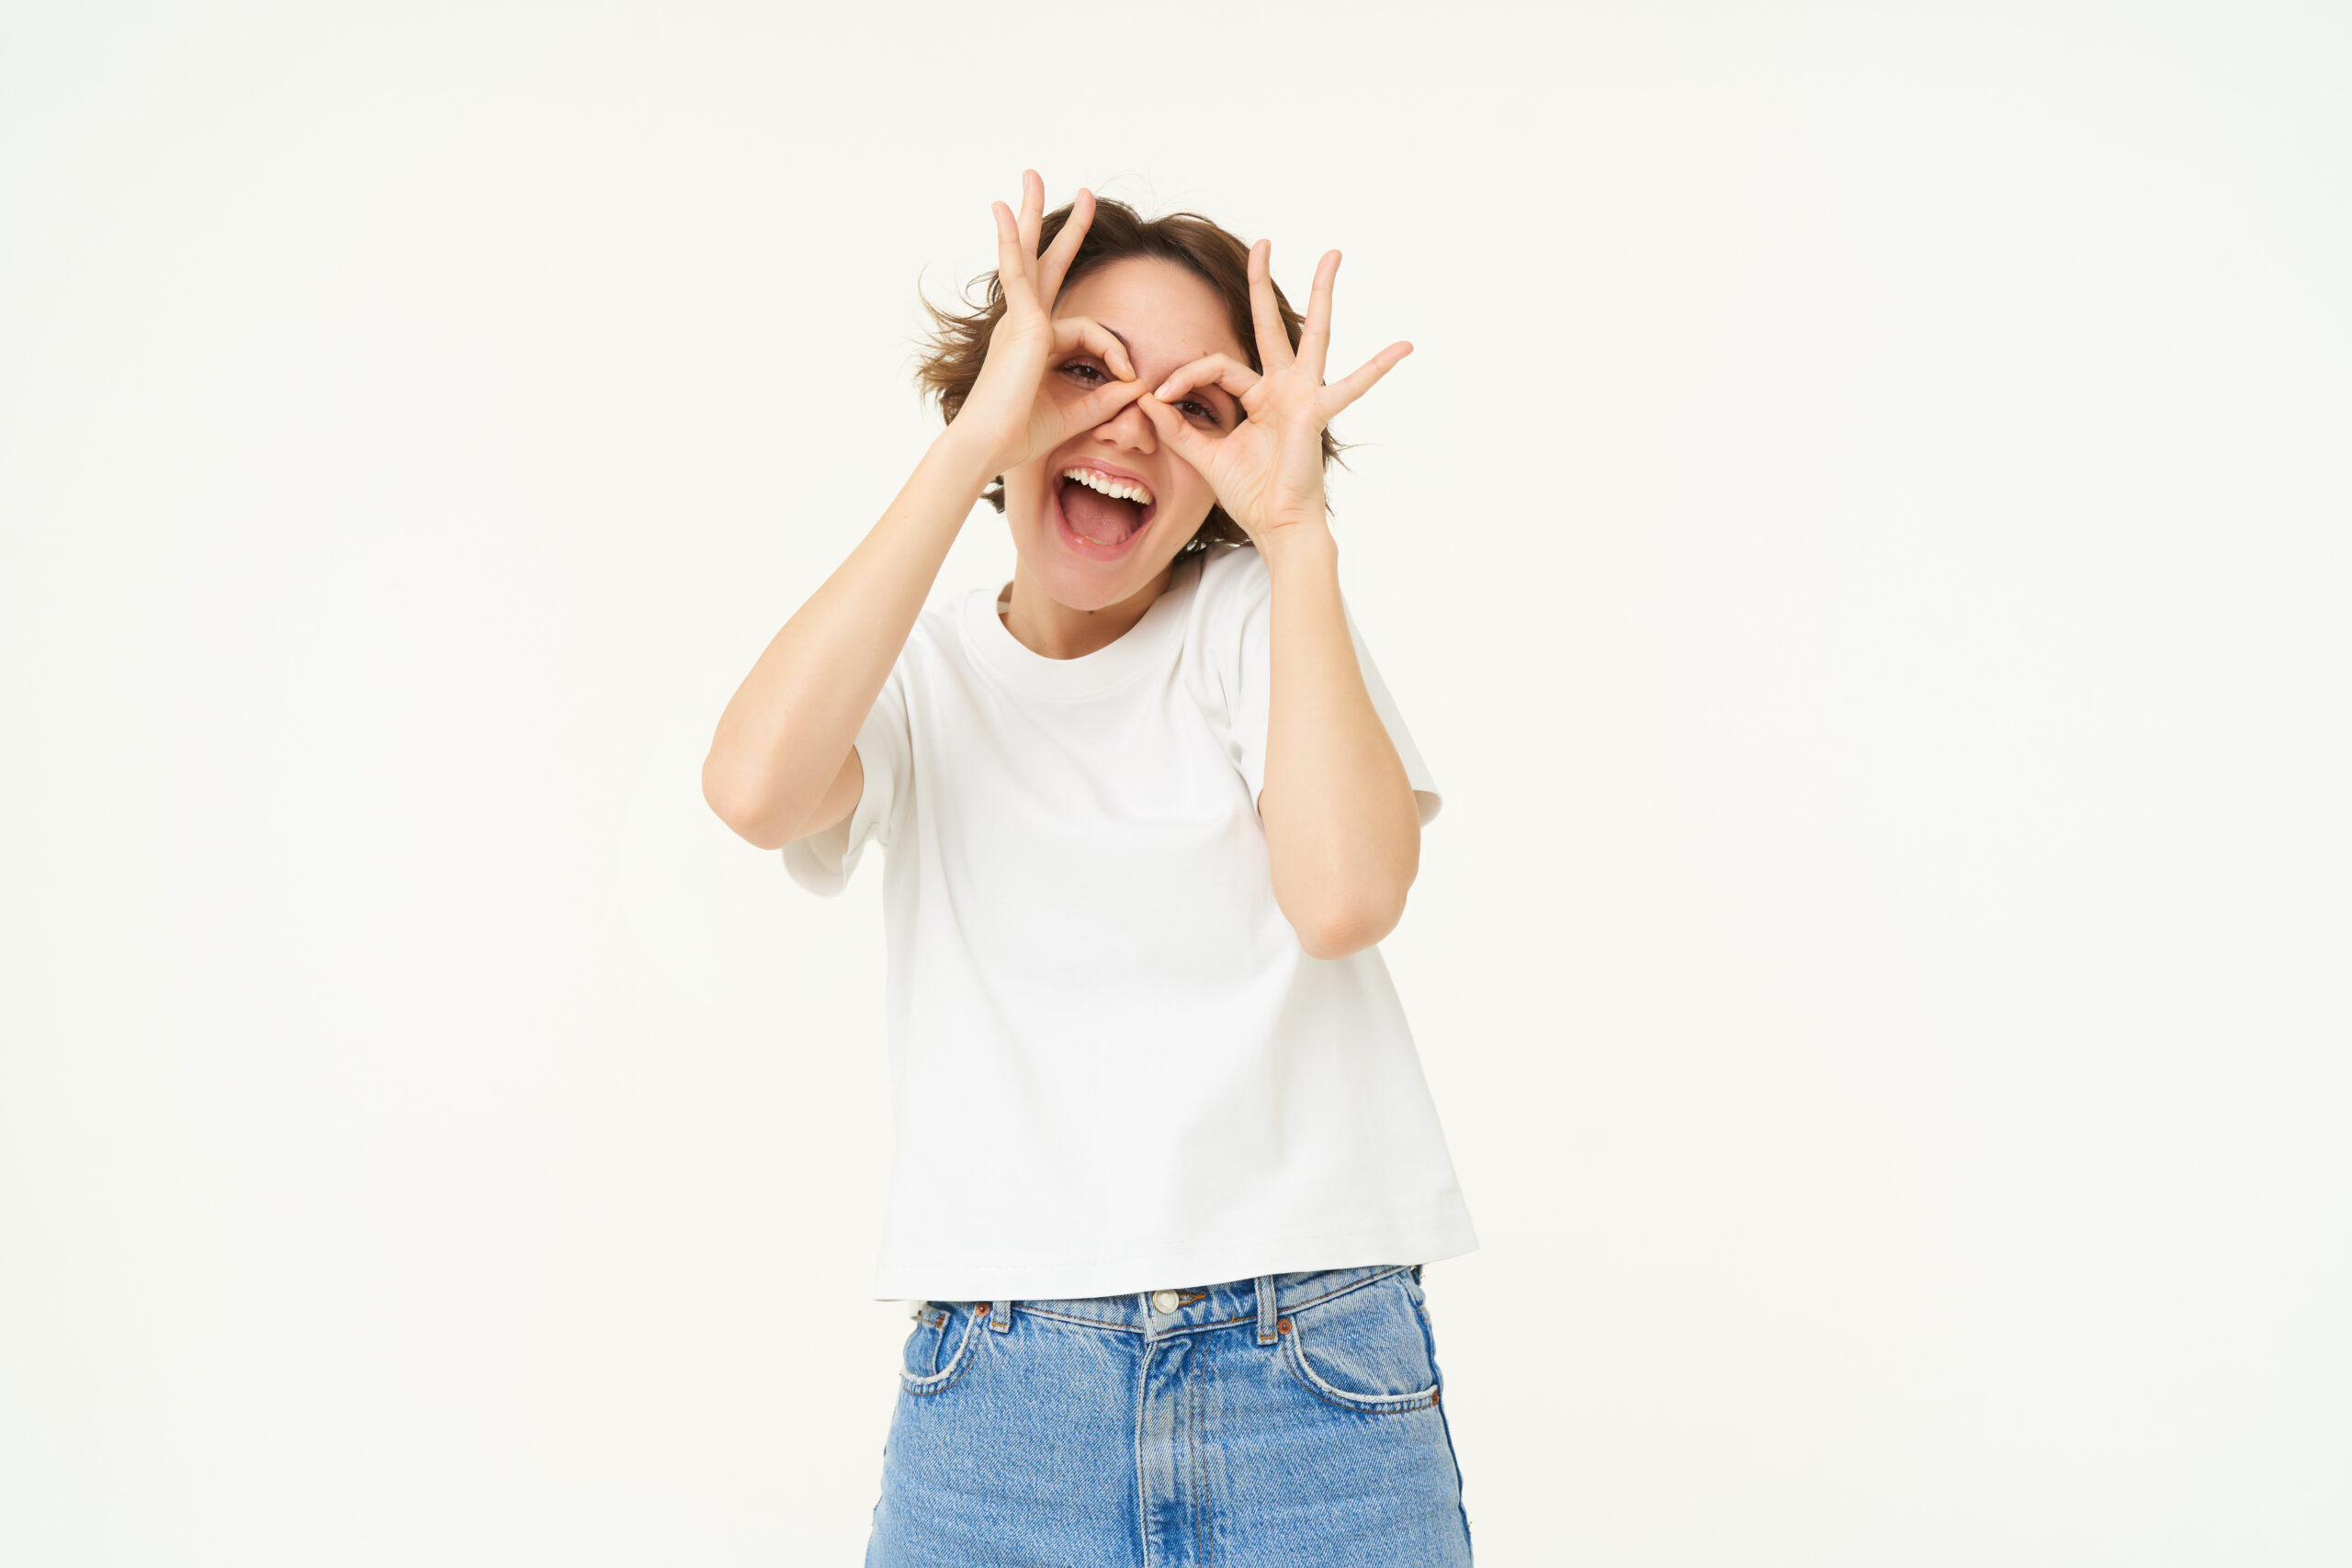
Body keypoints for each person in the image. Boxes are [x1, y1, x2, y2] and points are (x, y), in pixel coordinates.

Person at [703, 171, 1479, 1566]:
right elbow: (755, 792)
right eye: (1082, 370)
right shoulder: (917, 674)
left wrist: (1298, 534)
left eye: (1198, 405)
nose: (1130, 423)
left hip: (1308, 1375)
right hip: (1002, 1396)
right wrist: (974, 445)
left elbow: (1348, 898)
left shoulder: (1254, 617)